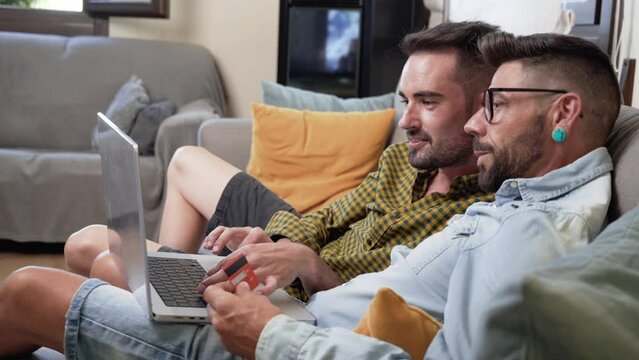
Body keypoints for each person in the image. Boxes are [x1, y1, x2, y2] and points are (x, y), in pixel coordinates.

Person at [0, 30, 621, 359]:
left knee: (34, 285)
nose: (477, 125)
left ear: (564, 111)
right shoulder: (513, 197)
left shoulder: (531, 232)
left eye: (495, 107)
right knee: (105, 265)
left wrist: (276, 324)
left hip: (287, 327)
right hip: (289, 311)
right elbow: (328, 220)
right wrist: (276, 244)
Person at [64, 21, 497, 299]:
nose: (406, 120)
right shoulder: (404, 162)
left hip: (306, 292)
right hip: (294, 255)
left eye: (428, 102)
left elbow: (388, 301)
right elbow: (323, 220)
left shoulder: (479, 217)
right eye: (405, 100)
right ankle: (176, 290)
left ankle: (174, 295)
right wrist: (276, 242)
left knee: (96, 252)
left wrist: (312, 269)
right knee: (184, 160)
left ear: (483, 108)